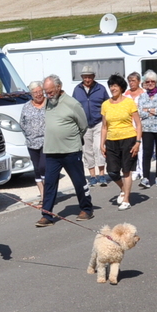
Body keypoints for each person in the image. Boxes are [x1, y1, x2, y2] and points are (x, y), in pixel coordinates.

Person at [37, 74, 95, 226]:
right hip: (51, 151)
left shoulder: (72, 103)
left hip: (71, 150)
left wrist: (72, 139)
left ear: (59, 87)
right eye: (46, 92)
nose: (48, 95)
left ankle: (86, 209)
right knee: (49, 184)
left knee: (79, 181)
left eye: (50, 92)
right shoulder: (48, 103)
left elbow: (83, 125)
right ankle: (47, 215)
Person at [99, 74, 141, 210]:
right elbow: (104, 126)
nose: (113, 88)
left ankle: (126, 200)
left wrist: (138, 142)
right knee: (112, 171)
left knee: (127, 170)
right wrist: (101, 143)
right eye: (111, 86)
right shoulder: (105, 105)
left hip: (128, 139)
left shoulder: (129, 102)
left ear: (121, 87)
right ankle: (123, 188)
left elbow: (138, 124)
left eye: (115, 86)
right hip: (111, 141)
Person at [73, 68, 107, 187]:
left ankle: (102, 174)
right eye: (85, 77)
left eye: (90, 77)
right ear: (82, 77)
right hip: (84, 124)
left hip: (98, 123)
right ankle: (92, 176)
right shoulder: (77, 89)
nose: (87, 79)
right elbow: (74, 106)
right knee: (87, 150)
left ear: (94, 77)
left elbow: (107, 104)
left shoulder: (101, 88)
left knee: (99, 148)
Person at [136, 71, 157, 187]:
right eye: (147, 81)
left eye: (152, 81)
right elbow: (140, 112)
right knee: (147, 152)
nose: (150, 83)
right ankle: (145, 177)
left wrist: (148, 110)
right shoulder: (142, 96)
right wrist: (155, 109)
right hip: (147, 128)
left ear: (156, 82)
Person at [19, 80, 48, 207]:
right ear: (31, 94)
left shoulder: (49, 103)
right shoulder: (26, 106)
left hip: (47, 141)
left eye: (40, 91)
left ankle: (48, 194)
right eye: (35, 92)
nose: (38, 94)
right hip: (32, 142)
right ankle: (43, 196)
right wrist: (28, 134)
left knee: (43, 167)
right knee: (36, 169)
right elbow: (22, 123)